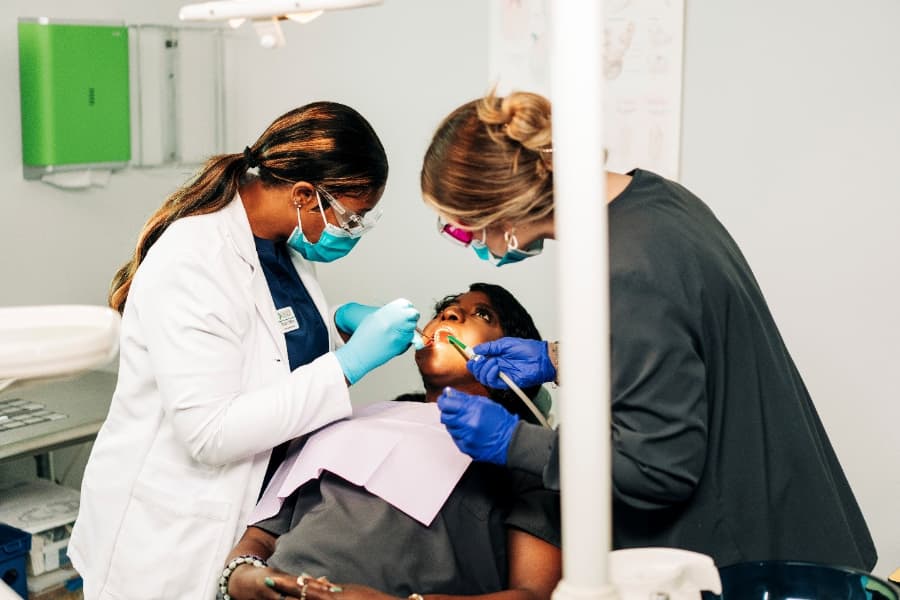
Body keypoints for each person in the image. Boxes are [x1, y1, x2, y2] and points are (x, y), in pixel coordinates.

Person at [418, 90, 877, 570]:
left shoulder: (626, 268)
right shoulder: (655, 200)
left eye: (462, 230)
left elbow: (656, 469)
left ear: (503, 212)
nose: (471, 244)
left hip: (751, 559)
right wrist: (558, 358)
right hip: (796, 521)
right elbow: (682, 349)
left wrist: (514, 441)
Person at [69, 102, 421, 600]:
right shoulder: (195, 258)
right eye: (351, 219)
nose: (352, 232)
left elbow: (260, 339)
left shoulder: (279, 245)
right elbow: (210, 433)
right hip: (168, 538)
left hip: (251, 519)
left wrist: (335, 322)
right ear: (304, 195)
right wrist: (348, 366)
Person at [219, 283, 560, 600]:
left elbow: (533, 594)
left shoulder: (527, 453)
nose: (449, 314)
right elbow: (262, 535)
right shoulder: (345, 420)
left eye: (483, 314)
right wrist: (242, 575)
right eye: (446, 309)